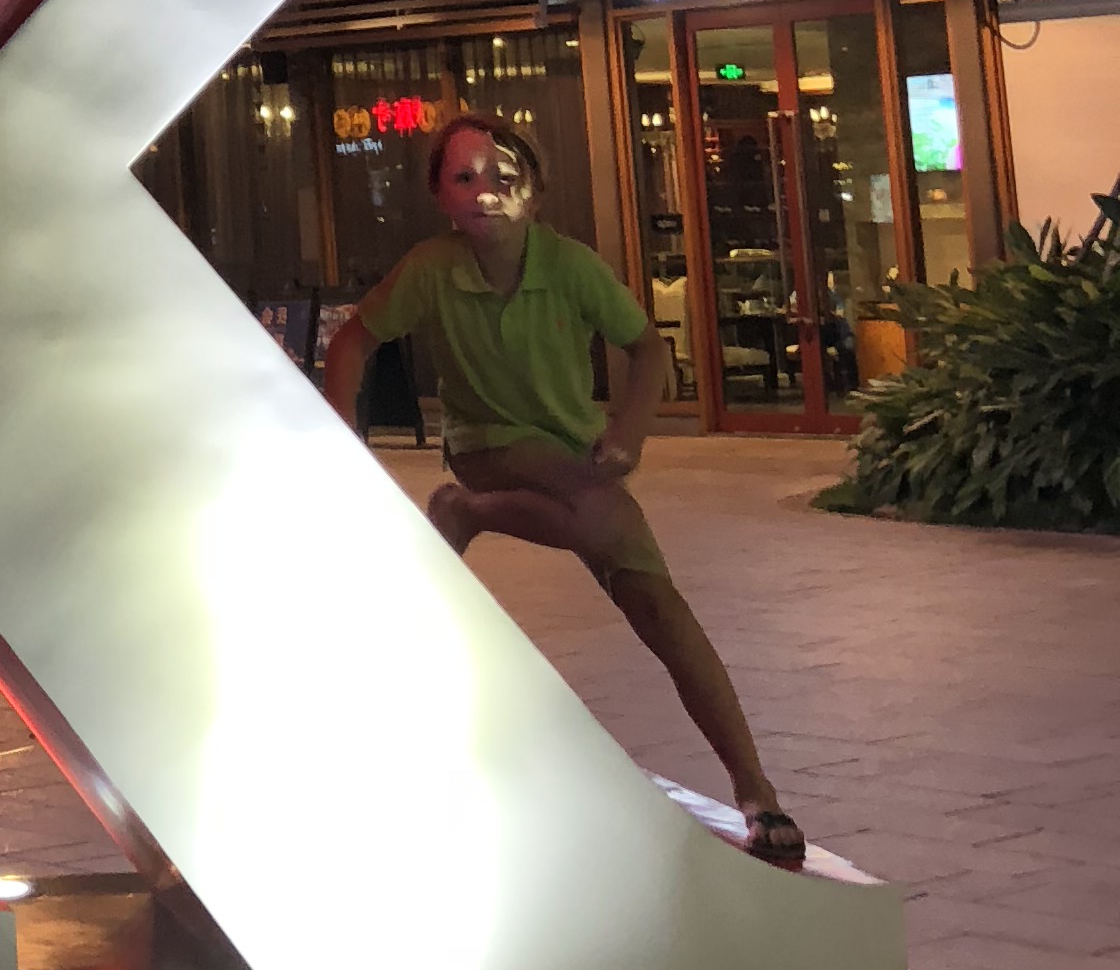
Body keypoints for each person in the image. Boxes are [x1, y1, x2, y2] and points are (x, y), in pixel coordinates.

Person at [321, 116, 806, 873]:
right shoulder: (431, 269)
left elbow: (647, 348)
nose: (485, 193)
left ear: (537, 193)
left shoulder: (570, 266)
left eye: (504, 178)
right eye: (463, 178)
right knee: (599, 519)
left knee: (657, 604)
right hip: (488, 448)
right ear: (439, 196)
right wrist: (339, 441)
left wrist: (628, 434)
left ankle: (755, 788)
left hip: (575, 455)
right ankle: (471, 503)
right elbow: (354, 340)